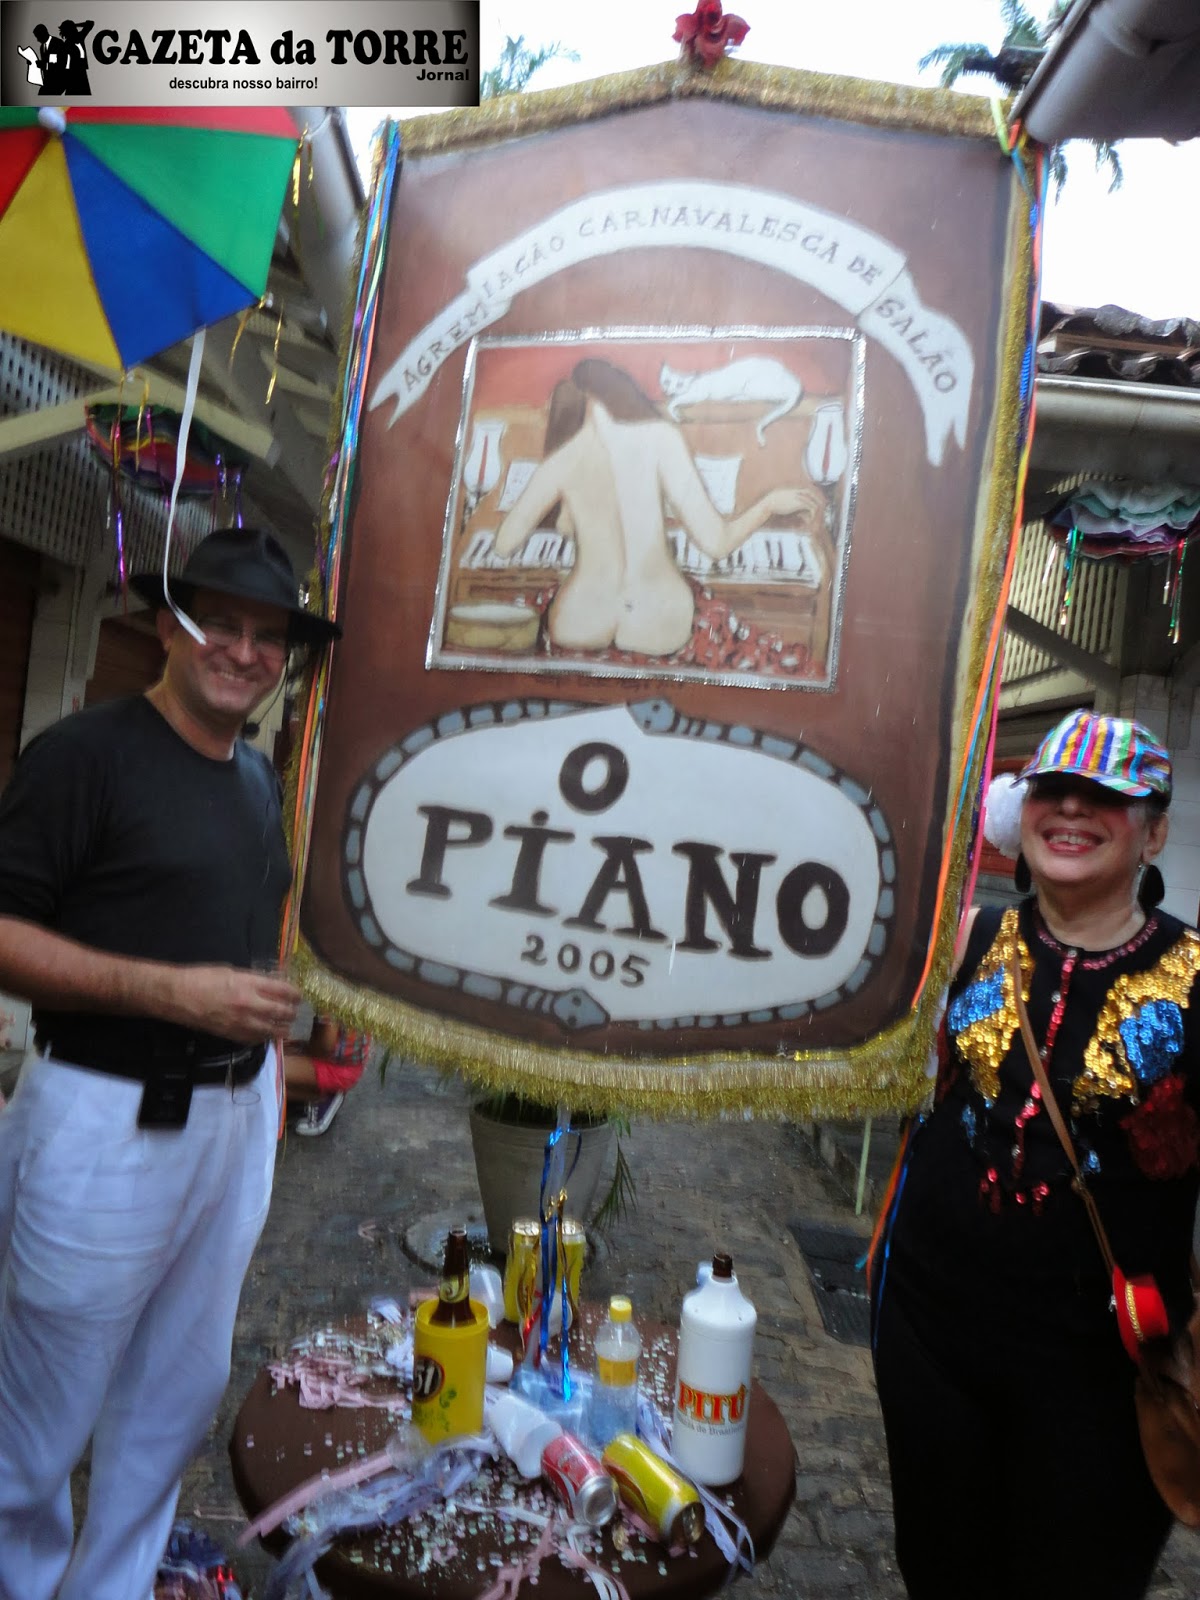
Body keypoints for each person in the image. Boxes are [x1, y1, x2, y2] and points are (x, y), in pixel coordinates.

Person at [0, 526, 339, 1600]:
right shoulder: (84, 754)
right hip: (103, 1119)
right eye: (220, 624)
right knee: (40, 1417)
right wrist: (171, 992)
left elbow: (238, 929)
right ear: (166, 626)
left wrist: (286, 1030)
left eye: (268, 636)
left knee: (174, 1399)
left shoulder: (256, 780)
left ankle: (109, 1585)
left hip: (235, 1122)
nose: (244, 651)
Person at [871, 710, 1198, 1600]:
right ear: (1023, 816)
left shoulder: (1195, 978)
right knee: (939, 1568)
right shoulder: (965, 940)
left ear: (1153, 832)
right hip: (932, 1334)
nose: (1072, 809)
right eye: (1053, 790)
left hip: (1105, 1372)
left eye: (1105, 796)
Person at [493, 358, 821, 656]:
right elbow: (717, 543)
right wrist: (769, 504)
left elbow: (505, 544)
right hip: (658, 625)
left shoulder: (561, 460)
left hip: (579, 622)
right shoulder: (662, 437)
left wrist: (572, 514)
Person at [284, 1012, 370, 1137]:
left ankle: (320, 1097)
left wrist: (302, 1052)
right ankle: (313, 1090)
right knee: (273, 1052)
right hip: (345, 1063)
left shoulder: (332, 1005)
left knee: (264, 1074)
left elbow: (324, 1048)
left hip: (337, 1069)